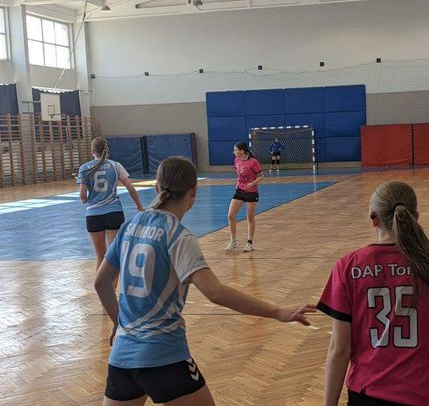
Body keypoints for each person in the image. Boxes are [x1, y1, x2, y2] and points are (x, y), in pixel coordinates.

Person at [94, 156, 315, 406]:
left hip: (122, 357)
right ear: (193, 192)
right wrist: (277, 312)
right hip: (164, 355)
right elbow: (215, 292)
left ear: (157, 187)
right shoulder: (178, 236)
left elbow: (101, 284)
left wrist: (119, 324)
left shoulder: (129, 226)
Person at [318, 180, 429, 406]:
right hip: (427, 396)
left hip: (368, 395)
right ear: (415, 217)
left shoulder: (348, 267)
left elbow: (339, 349)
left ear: (373, 218)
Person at [78, 137, 144, 271]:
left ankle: (100, 284)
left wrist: (88, 199)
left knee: (100, 256)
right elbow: (131, 189)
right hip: (114, 213)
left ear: (92, 150)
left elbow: (82, 196)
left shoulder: (84, 168)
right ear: (107, 149)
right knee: (114, 255)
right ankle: (114, 284)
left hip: (93, 215)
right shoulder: (116, 166)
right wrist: (139, 205)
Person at [225, 142, 263, 252]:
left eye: (235, 150)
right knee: (231, 216)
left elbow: (261, 176)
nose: (234, 152)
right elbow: (240, 174)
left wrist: (252, 184)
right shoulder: (236, 161)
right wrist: (238, 183)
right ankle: (233, 241)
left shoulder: (254, 162)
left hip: (251, 192)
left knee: (250, 218)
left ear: (242, 151)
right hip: (239, 191)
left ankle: (249, 243)